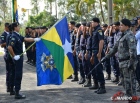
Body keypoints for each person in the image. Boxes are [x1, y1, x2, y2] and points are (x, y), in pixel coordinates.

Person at [102, 19, 137, 103]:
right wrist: (106, 57)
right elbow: (114, 48)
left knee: (130, 84)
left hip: (127, 63)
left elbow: (133, 51)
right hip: (121, 63)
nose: (120, 26)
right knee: (125, 84)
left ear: (127, 26)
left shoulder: (129, 35)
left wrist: (131, 63)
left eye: (122, 25)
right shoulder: (122, 35)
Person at [8, 22, 41, 99]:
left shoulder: (18, 35)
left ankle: (15, 91)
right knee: (18, 74)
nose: (19, 27)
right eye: (18, 26)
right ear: (15, 27)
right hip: (17, 58)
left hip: (19, 57)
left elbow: (26, 39)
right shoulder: (14, 36)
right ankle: (17, 92)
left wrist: (34, 39)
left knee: (17, 74)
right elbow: (9, 47)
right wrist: (14, 56)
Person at [89, 17, 106, 94]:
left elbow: (101, 41)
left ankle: (102, 87)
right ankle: (98, 85)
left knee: (99, 70)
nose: (91, 23)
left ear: (97, 22)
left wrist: (99, 53)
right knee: (95, 70)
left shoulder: (99, 30)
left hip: (98, 52)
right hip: (94, 51)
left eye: (92, 22)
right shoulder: (94, 30)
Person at [0, 23, 10, 92]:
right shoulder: (3, 35)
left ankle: (12, 85)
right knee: (8, 71)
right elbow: (2, 45)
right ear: (6, 27)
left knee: (13, 71)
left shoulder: (11, 33)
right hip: (7, 54)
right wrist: (9, 42)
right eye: (8, 27)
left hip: (12, 54)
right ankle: (8, 86)